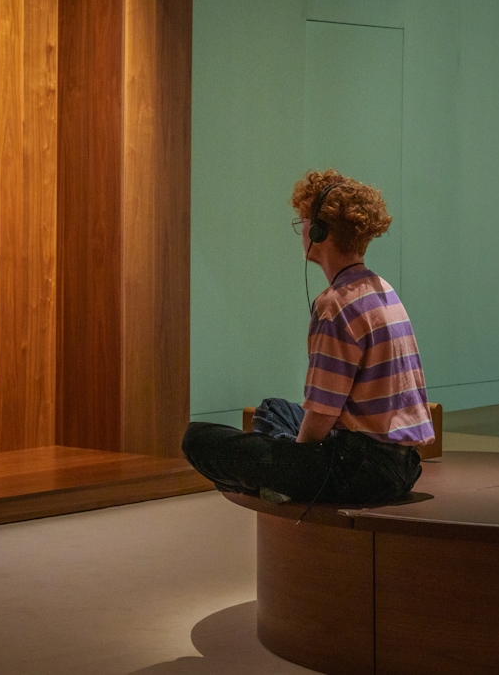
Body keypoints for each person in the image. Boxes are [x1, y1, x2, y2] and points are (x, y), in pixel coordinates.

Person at [181, 170, 434, 506]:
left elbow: (321, 416)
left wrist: (292, 464)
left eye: (303, 223)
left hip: (359, 472)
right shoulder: (381, 289)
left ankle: (281, 485)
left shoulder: (335, 306)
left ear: (319, 231)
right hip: (402, 466)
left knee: (197, 439)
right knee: (273, 410)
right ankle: (276, 478)